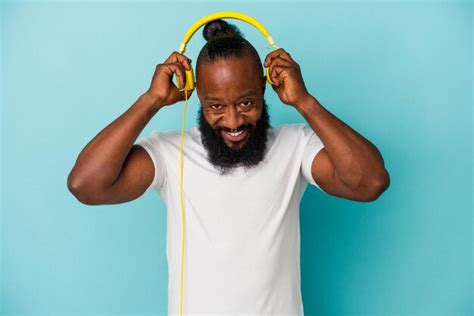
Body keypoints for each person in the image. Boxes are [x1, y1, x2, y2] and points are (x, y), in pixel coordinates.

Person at [67, 19, 390, 315]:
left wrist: (304, 102)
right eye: (216, 106)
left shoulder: (296, 145)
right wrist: (150, 100)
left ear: (265, 89)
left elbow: (370, 183)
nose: (233, 120)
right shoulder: (168, 152)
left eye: (246, 102)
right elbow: (87, 185)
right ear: (197, 96)